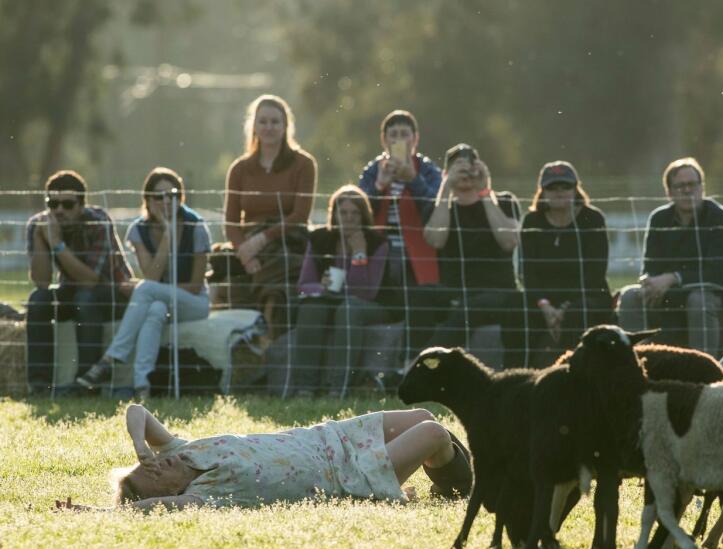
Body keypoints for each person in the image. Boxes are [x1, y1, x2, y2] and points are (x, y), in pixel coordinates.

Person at [54, 404, 473, 511]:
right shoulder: (207, 492)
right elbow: (155, 509)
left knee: (424, 417)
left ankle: (449, 478)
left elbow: (137, 413)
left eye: (150, 465)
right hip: (347, 473)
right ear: (173, 491)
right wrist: (95, 512)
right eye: (154, 475)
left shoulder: (181, 452)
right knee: (434, 434)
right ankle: (465, 488)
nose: (157, 466)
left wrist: (142, 450)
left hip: (331, 436)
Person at [76, 168, 212, 398]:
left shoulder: (196, 227)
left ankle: (111, 358)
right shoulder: (138, 230)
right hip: (160, 301)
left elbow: (195, 286)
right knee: (155, 309)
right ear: (148, 199)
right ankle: (142, 386)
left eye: (173, 195)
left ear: (181, 197)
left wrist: (152, 289)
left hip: (194, 304)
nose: (167, 201)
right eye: (159, 196)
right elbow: (152, 275)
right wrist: (168, 237)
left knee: (147, 290)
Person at [618, 157, 723, 357]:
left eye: (693, 184)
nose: (687, 190)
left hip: (720, 300)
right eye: (680, 186)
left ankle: (704, 371)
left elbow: (716, 274)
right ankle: (635, 362)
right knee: (630, 296)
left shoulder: (718, 216)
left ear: (702, 187)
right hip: (671, 298)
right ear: (668, 192)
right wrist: (650, 283)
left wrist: (673, 278)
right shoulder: (659, 219)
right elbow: (650, 267)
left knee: (698, 300)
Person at [217, 94, 318, 338]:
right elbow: (231, 223)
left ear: (286, 126)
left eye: (275, 122)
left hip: (286, 240)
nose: (269, 127)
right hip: (249, 245)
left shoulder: (303, 164)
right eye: (263, 121)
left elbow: (300, 215)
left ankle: (273, 342)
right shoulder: (239, 169)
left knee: (279, 288)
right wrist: (246, 254)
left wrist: (262, 240)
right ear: (253, 126)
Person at [25, 170, 133, 396]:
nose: (59, 210)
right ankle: (39, 386)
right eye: (53, 203)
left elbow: (91, 280)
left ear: (82, 205)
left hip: (112, 292)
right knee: (38, 299)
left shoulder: (98, 221)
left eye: (67, 204)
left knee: (85, 298)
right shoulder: (39, 225)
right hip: (72, 290)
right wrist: (40, 239)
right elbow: (42, 281)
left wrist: (56, 245)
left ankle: (85, 384)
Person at [421, 143, 523, 366]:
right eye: (458, 168)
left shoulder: (503, 201)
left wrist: (485, 191)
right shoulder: (439, 207)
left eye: (470, 167)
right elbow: (436, 240)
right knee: (419, 296)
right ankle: (406, 360)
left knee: (471, 308)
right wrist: (446, 188)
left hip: (497, 292)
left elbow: (509, 241)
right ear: (446, 174)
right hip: (454, 290)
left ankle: (422, 364)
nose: (465, 173)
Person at [357, 110, 446, 361]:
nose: (399, 140)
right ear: (383, 139)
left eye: (404, 134)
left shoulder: (427, 170)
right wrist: (378, 186)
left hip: (417, 254)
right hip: (380, 252)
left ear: (415, 139)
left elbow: (437, 207)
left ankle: (409, 359)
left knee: (418, 298)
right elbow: (358, 210)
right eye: (393, 134)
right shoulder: (374, 170)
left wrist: (413, 180)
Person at [291, 186, 393, 398]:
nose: (349, 218)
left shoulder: (377, 243)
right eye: (343, 213)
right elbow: (304, 284)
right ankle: (305, 388)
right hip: (331, 299)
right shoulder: (320, 239)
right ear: (334, 215)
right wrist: (323, 287)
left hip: (373, 305)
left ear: (364, 216)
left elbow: (366, 292)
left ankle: (338, 388)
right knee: (310, 308)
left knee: (349, 309)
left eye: (355, 213)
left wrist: (359, 255)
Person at [514, 161, 612, 367]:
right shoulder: (532, 221)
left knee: (576, 316)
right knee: (516, 311)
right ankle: (519, 373)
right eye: (552, 187)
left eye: (565, 187)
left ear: (575, 189)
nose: (559, 192)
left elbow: (595, 272)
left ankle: (572, 371)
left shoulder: (592, 219)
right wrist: (545, 306)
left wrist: (565, 308)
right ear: (542, 191)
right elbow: (527, 272)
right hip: (544, 299)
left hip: (587, 295)